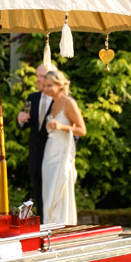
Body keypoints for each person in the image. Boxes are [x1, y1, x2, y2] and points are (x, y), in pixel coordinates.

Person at [41, 69, 86, 225]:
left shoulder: (69, 103)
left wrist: (61, 126)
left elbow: (82, 130)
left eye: (49, 86)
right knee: (48, 192)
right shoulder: (52, 103)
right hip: (49, 153)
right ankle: (50, 226)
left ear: (59, 85)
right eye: (44, 85)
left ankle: (62, 226)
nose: (45, 89)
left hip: (62, 153)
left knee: (60, 189)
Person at [17, 63, 53, 220]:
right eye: (37, 76)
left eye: (42, 76)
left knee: (53, 202)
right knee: (40, 201)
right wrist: (20, 121)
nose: (38, 79)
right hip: (36, 160)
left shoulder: (62, 100)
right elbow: (25, 126)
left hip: (54, 160)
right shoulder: (33, 98)